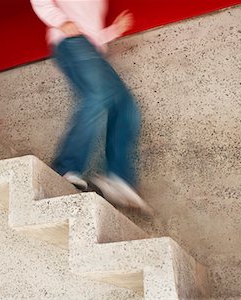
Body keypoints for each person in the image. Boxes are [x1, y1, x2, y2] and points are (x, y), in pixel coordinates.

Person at [30, 0, 153, 214]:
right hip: (71, 42)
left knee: (125, 105)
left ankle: (118, 177)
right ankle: (65, 168)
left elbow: (90, 32)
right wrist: (62, 21)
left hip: (89, 49)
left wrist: (114, 30)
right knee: (97, 96)